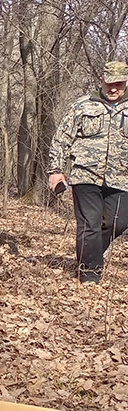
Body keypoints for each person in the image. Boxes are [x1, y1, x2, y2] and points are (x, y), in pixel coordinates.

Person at [48, 60, 128, 285]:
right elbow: (61, 140)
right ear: (101, 80)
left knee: (117, 223)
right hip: (85, 174)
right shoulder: (82, 105)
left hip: (122, 178)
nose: (113, 88)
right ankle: (89, 274)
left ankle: (89, 255)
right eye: (110, 83)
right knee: (90, 223)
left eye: (119, 84)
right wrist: (55, 171)